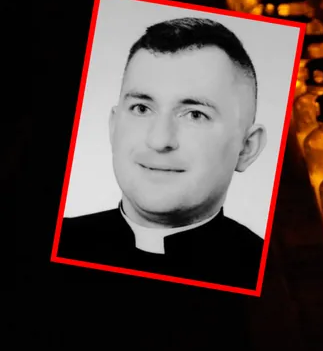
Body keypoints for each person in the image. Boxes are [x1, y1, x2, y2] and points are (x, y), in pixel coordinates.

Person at [56, 17, 269, 289]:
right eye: (142, 109)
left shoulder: (272, 278)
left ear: (247, 148)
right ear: (113, 126)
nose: (159, 140)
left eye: (195, 114)